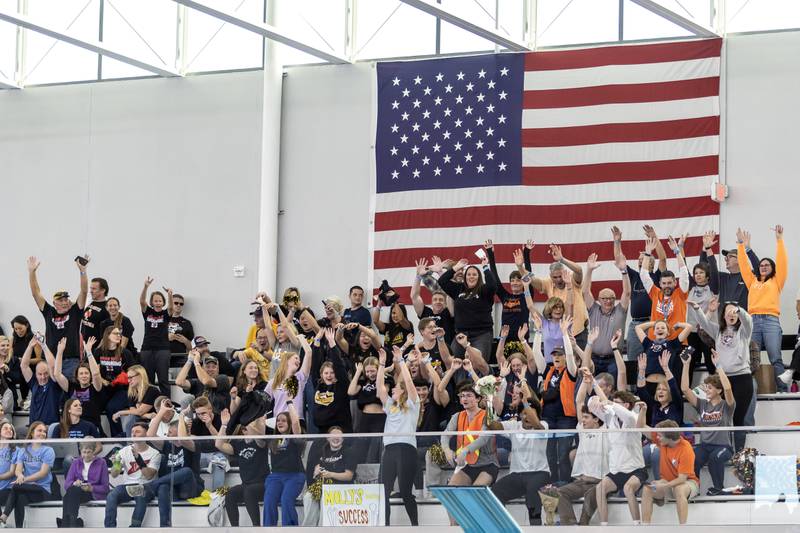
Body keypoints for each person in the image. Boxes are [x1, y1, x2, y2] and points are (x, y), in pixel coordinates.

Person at [693, 300, 755, 451]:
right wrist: (697, 309)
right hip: (722, 378)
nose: (731, 315)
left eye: (734, 312)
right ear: (724, 317)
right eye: (728, 312)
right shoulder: (718, 331)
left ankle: (739, 454)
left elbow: (748, 320)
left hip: (742, 378)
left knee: (738, 418)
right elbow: (703, 323)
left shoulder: (744, 331)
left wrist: (738, 309)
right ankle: (724, 450)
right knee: (722, 417)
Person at [737, 225, 788, 392]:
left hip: (771, 321)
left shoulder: (776, 281)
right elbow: (744, 265)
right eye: (761, 265)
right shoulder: (752, 281)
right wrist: (740, 245)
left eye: (767, 265)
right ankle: (750, 392)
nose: (763, 266)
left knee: (776, 358)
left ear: (772, 268)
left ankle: (782, 390)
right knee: (752, 359)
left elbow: (782, 262)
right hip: (752, 322)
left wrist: (779, 241)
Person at [490, 388, 550, 526]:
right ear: (519, 416)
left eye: (530, 413)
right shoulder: (514, 425)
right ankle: (505, 527)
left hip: (539, 474)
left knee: (532, 494)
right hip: (517, 475)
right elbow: (492, 425)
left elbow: (536, 423)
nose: (527, 417)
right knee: (495, 492)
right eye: (524, 414)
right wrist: (489, 402)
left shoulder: (543, 426)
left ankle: (536, 528)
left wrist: (525, 402)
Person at [556, 370, 609, 526]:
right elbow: (579, 402)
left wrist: (593, 382)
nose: (583, 420)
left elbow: (605, 403)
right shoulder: (582, 429)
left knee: (590, 497)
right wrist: (585, 381)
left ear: (596, 419)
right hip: (580, 482)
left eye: (586, 417)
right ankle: (570, 526)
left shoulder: (606, 429)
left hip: (598, 482)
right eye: (583, 417)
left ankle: (582, 526)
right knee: (559, 492)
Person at [529, 316, 577, 483]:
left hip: (566, 418)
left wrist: (564, 334)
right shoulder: (548, 370)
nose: (556, 357)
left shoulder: (571, 371)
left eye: (560, 355)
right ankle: (552, 483)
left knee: (563, 453)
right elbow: (536, 353)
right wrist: (538, 331)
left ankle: (564, 482)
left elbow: (571, 355)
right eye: (554, 355)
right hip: (548, 417)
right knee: (550, 453)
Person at [681, 350, 735, 495]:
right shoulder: (702, 404)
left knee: (714, 458)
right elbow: (685, 389)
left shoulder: (726, 406)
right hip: (705, 445)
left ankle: (719, 489)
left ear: (719, 390)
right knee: (692, 456)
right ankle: (694, 488)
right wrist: (686, 364)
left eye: (710, 387)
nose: (707, 390)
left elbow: (728, 388)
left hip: (723, 447)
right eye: (706, 387)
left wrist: (719, 366)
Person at [139, 404, 203, 527]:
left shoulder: (191, 444)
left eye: (170, 432)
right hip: (174, 491)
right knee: (163, 486)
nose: (167, 434)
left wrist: (182, 416)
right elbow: (150, 435)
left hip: (190, 488)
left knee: (187, 471)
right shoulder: (167, 445)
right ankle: (165, 526)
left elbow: (183, 439)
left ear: (179, 432)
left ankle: (150, 486)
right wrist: (161, 411)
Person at [593, 390, 648, 526]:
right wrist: (593, 391)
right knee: (599, 488)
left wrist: (610, 403)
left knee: (628, 489)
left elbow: (626, 415)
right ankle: (604, 526)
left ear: (627, 405)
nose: (613, 406)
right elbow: (591, 406)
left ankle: (637, 525)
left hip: (636, 469)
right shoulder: (610, 418)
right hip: (617, 470)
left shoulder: (633, 418)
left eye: (617, 403)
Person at [378, 345, 420, 526]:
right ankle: (386, 527)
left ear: (402, 391)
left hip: (406, 448)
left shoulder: (412, 404)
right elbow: (380, 387)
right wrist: (381, 364)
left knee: (404, 490)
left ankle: (415, 526)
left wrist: (402, 361)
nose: (392, 390)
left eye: (395, 388)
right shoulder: (390, 405)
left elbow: (410, 384)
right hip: (389, 449)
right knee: (383, 492)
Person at [27, 256, 88, 378]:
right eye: (60, 300)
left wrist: (83, 271)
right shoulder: (49, 312)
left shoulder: (75, 312)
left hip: (70, 362)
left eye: (66, 299)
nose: (64, 302)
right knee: (52, 394)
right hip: (51, 360)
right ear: (54, 303)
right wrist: (32, 273)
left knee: (70, 394)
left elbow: (84, 291)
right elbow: (35, 293)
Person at [613, 225, 666, 364]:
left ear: (651, 263)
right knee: (633, 360)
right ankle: (634, 387)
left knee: (654, 359)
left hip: (653, 322)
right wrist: (617, 242)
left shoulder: (657, 277)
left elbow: (663, 259)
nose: (640, 261)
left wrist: (654, 237)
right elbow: (620, 261)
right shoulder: (634, 276)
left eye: (644, 258)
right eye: (639, 259)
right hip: (635, 324)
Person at [520, 243, 589, 345]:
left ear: (564, 272)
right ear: (550, 276)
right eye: (555, 277)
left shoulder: (571, 279)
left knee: (581, 360)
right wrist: (519, 267)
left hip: (578, 333)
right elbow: (531, 280)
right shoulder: (548, 283)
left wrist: (562, 259)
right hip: (559, 334)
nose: (558, 280)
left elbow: (579, 270)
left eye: (560, 276)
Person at [437, 255, 497, 361]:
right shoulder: (458, 289)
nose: (471, 276)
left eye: (474, 274)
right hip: (461, 334)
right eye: (468, 274)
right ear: (465, 277)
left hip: (481, 334)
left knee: (479, 363)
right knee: (454, 362)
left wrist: (485, 267)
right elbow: (442, 281)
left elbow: (492, 285)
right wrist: (457, 266)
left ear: (479, 277)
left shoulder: (484, 290)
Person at [215, 409, 269, 527]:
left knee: (249, 492)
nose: (246, 429)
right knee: (230, 494)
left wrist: (255, 421)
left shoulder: (260, 442)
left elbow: (260, 435)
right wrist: (224, 425)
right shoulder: (238, 444)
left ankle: (256, 527)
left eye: (248, 426)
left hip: (263, 484)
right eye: (244, 428)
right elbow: (218, 444)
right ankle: (235, 528)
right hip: (246, 484)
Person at [641, 420, 700, 525]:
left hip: (688, 483)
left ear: (669, 437)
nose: (657, 438)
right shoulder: (663, 440)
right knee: (648, 489)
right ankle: (645, 527)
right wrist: (643, 410)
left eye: (659, 436)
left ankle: (682, 528)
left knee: (679, 489)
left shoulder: (686, 448)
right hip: (667, 483)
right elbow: (640, 427)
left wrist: (664, 486)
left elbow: (682, 479)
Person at [103, 422, 161, 528]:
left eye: (137, 432)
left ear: (146, 434)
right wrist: (116, 463)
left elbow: (149, 476)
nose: (133, 434)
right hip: (128, 486)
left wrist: (138, 458)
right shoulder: (124, 451)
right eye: (132, 432)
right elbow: (114, 475)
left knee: (140, 494)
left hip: (146, 485)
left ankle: (134, 528)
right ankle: (109, 528)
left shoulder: (155, 453)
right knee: (112, 495)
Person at [583, 253, 631, 377]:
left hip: (613, 359)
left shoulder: (620, 311)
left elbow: (627, 293)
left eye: (611, 298)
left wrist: (624, 271)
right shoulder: (593, 309)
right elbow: (585, 291)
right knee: (591, 390)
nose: (608, 301)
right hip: (593, 358)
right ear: (598, 299)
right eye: (604, 298)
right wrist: (589, 270)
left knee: (613, 391)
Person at [637, 351, 683, 479]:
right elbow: (641, 389)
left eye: (664, 389)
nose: (660, 391)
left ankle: (661, 487)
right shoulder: (654, 406)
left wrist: (666, 369)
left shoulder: (677, 406)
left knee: (657, 453)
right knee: (636, 456)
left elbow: (674, 387)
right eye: (658, 389)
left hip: (671, 443)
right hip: (653, 442)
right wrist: (642, 370)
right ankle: (636, 483)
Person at [0, 422, 55, 528]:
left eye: (44, 431)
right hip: (27, 489)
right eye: (39, 430)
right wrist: (20, 475)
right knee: (20, 498)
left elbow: (43, 473)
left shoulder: (49, 450)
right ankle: (19, 529)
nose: (43, 433)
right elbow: (18, 470)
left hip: (42, 490)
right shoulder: (23, 450)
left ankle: (3, 517)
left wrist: (24, 480)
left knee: (16, 486)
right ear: (32, 433)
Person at [302, 427, 356, 526]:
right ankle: (309, 528)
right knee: (308, 497)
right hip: (323, 485)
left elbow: (349, 476)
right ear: (327, 438)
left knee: (326, 497)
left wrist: (330, 474)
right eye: (333, 435)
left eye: (339, 436)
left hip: (341, 488)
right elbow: (316, 471)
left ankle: (323, 528)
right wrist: (316, 472)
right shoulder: (322, 451)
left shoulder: (349, 452)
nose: (336, 438)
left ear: (343, 438)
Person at [262, 403, 305, 527]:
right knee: (269, 501)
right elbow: (259, 429)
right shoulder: (273, 438)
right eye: (278, 421)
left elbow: (296, 423)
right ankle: (268, 529)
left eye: (283, 420)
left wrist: (290, 402)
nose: (279, 422)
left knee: (286, 500)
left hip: (294, 476)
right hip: (275, 476)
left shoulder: (294, 437)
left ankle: (290, 529)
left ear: (289, 423)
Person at [92, 325, 136, 437]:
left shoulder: (125, 353)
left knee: (112, 408)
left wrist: (124, 377)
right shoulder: (98, 352)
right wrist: (101, 380)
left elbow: (133, 372)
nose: (118, 336)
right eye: (115, 333)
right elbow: (92, 370)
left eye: (119, 334)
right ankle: (100, 435)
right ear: (107, 336)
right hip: (103, 388)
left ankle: (118, 437)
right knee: (92, 406)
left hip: (121, 389)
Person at [52, 336, 104, 431]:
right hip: (72, 426)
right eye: (81, 373)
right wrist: (60, 352)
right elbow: (57, 374)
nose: (84, 376)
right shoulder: (71, 387)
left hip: (91, 427)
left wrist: (88, 352)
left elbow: (96, 373)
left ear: (90, 375)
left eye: (86, 373)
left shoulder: (95, 387)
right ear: (77, 376)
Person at [485, 240, 530, 343]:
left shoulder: (527, 296)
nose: (514, 283)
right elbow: (495, 279)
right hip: (504, 339)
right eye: (512, 280)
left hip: (521, 340)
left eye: (518, 280)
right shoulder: (505, 296)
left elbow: (528, 276)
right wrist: (490, 254)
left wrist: (526, 254)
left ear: (523, 282)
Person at [179, 396, 227, 492]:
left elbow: (222, 442)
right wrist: (188, 431)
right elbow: (190, 440)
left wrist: (209, 426)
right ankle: (194, 491)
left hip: (216, 452)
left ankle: (217, 495)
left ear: (210, 409)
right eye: (198, 414)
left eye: (203, 413)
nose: (201, 416)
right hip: (200, 453)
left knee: (220, 464)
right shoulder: (196, 421)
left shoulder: (220, 419)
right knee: (188, 464)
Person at [264, 335, 312, 428]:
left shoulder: (299, 377)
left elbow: (309, 353)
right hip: (280, 421)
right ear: (286, 360)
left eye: (299, 359)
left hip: (297, 420)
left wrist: (301, 338)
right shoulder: (274, 381)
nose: (299, 360)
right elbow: (264, 402)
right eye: (296, 358)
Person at [348, 356, 389, 463]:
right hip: (365, 418)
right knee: (360, 447)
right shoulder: (363, 382)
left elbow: (380, 394)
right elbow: (351, 391)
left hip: (380, 418)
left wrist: (382, 371)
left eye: (373, 371)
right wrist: (358, 372)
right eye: (367, 371)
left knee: (375, 449)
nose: (370, 374)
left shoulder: (386, 380)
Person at [60, 439, 109, 528]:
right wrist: (75, 483)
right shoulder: (76, 462)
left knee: (68, 495)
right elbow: (67, 484)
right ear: (80, 451)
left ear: (94, 451)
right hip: (77, 492)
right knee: (72, 491)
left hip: (93, 494)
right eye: (84, 452)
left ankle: (67, 524)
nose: (86, 455)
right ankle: (73, 523)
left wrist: (91, 488)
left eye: (89, 452)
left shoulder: (102, 463)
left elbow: (105, 488)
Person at [139, 277, 175, 397]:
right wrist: (145, 287)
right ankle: (147, 403)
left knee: (163, 379)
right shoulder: (147, 312)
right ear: (152, 302)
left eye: (160, 301)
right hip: (147, 349)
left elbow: (171, 308)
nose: (158, 303)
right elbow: (142, 302)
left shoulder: (165, 314)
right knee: (147, 380)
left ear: (163, 302)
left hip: (162, 349)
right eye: (155, 301)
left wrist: (170, 295)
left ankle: (166, 404)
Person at [312, 329, 352, 433]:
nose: (329, 375)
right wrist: (317, 341)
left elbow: (339, 365)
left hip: (340, 429)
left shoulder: (341, 385)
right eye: (326, 373)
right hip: (322, 430)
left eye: (332, 373)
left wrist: (332, 342)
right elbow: (315, 364)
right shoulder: (318, 385)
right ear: (321, 375)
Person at [634, 319, 693, 386]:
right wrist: (654, 323)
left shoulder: (672, 344)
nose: (660, 329)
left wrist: (678, 324)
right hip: (647, 383)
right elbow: (638, 328)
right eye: (657, 328)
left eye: (663, 328)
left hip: (664, 385)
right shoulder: (647, 343)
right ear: (654, 332)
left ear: (668, 333)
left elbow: (689, 327)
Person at [411, 258, 455, 345]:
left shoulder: (448, 312)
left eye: (441, 300)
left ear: (445, 303)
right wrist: (418, 277)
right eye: (435, 299)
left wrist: (440, 272)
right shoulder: (426, 312)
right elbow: (414, 296)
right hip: (429, 350)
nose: (438, 302)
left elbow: (451, 292)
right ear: (431, 302)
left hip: (447, 349)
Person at [176, 348, 233, 413]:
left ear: (218, 369)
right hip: (201, 419)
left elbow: (207, 381)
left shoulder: (223, 379)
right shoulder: (197, 382)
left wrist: (196, 363)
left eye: (214, 367)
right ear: (202, 368)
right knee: (187, 399)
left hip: (218, 418)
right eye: (208, 367)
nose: (211, 369)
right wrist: (190, 360)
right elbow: (179, 382)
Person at [21, 338, 62, 426]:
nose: (43, 377)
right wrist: (30, 346)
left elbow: (52, 366)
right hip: (34, 426)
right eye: (40, 374)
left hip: (51, 426)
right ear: (35, 374)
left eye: (46, 373)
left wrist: (44, 346)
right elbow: (24, 366)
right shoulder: (33, 383)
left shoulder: (54, 383)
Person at [112, 364, 160, 436]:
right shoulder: (132, 393)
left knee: (131, 420)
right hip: (143, 420)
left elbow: (139, 412)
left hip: (156, 422)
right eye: (128, 378)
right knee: (132, 418)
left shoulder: (152, 390)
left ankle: (130, 444)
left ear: (140, 375)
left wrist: (120, 413)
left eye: (131, 377)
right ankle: (131, 444)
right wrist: (147, 415)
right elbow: (134, 412)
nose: (128, 380)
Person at [7, 316, 42, 410]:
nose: (18, 331)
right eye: (16, 329)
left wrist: (25, 360)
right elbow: (9, 357)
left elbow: (40, 359)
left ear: (26, 325)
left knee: (24, 372)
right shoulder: (13, 339)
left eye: (20, 328)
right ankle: (15, 402)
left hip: (31, 368)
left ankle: (26, 399)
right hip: (17, 369)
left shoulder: (34, 339)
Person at [81, 276, 110, 343]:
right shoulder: (88, 302)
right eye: (91, 288)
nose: (91, 291)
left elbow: (107, 333)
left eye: (94, 289)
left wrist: (98, 350)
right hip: (82, 345)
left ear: (103, 290)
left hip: (95, 347)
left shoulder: (107, 308)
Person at [0, 422, 19, 510]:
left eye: (11, 429)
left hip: (8, 489)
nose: (9, 430)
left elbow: (12, 472)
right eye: (6, 428)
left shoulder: (15, 450)